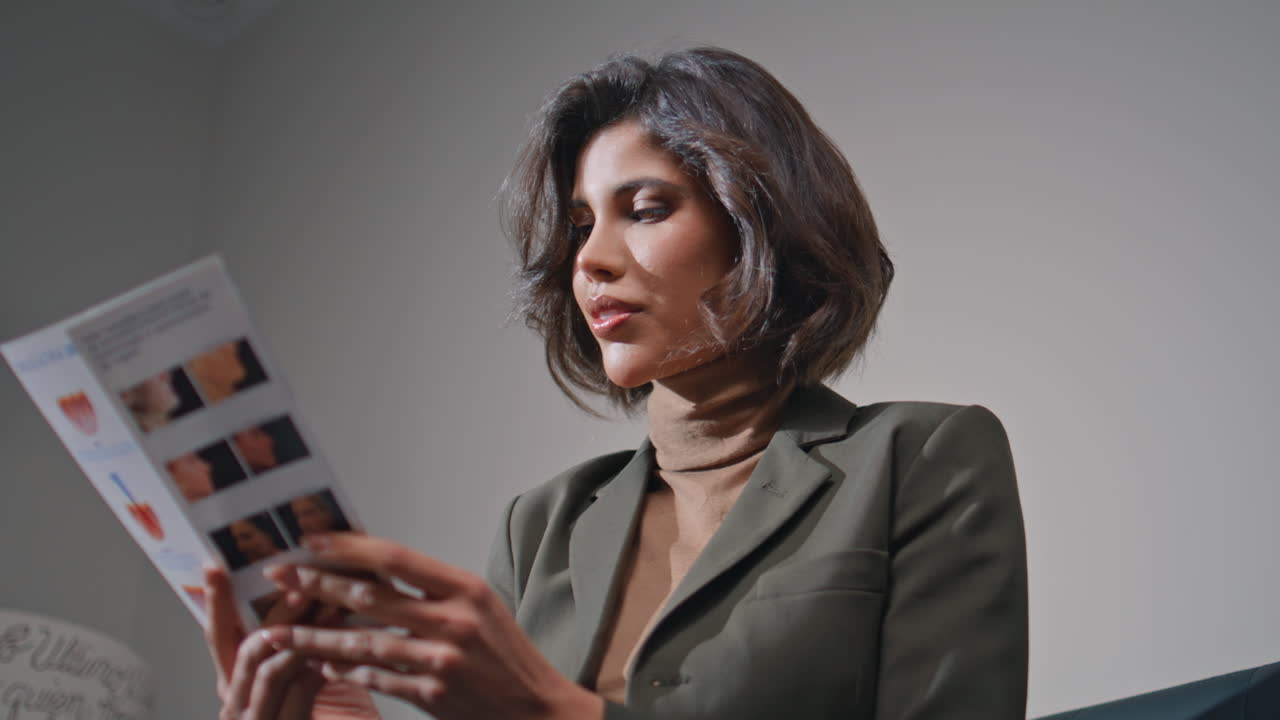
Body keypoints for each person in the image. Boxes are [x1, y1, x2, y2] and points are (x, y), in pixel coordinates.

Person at [203, 46, 1028, 719]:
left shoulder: (922, 457)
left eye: (645, 208)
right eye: (580, 224)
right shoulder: (540, 527)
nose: (589, 260)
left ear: (759, 225)